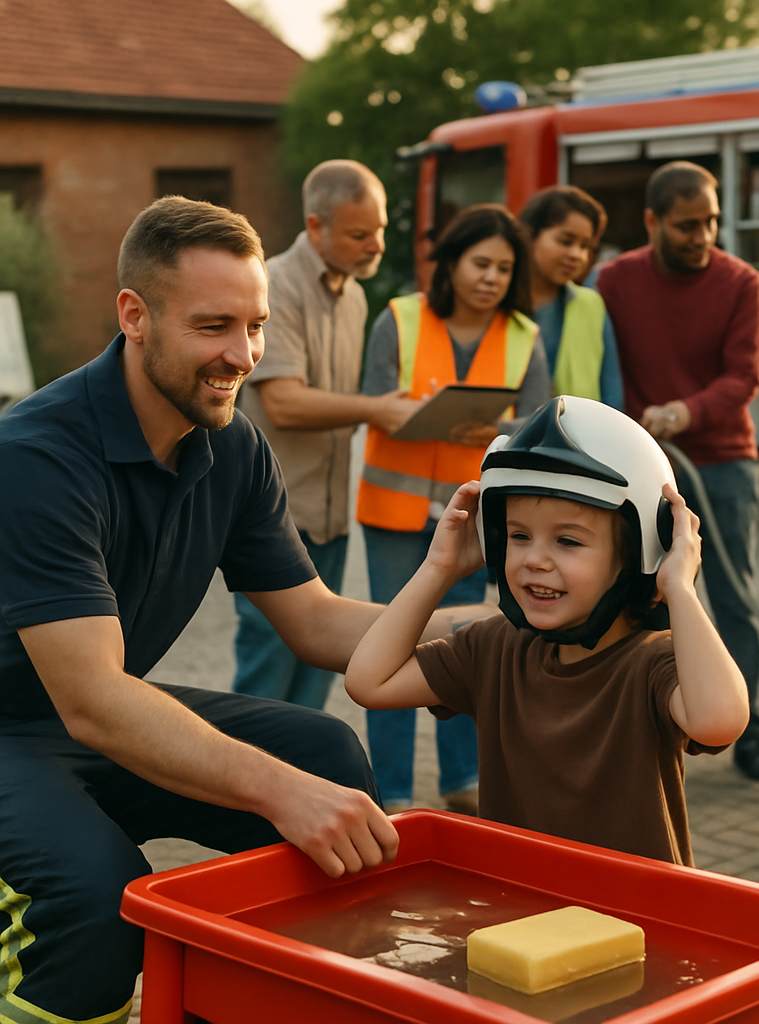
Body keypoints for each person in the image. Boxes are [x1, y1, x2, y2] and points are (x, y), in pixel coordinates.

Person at [0, 197, 486, 1023]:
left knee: (326, 753)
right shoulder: (37, 458)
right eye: (215, 326)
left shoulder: (228, 442)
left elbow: (317, 621)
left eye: (255, 326)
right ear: (135, 316)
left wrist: (504, 635)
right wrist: (277, 792)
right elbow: (93, 701)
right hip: (23, 724)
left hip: (78, 720)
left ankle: (267, 1004)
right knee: (92, 894)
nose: (244, 356)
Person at [345, 396, 749, 864]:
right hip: (516, 919)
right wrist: (439, 568)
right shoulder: (494, 647)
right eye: (518, 536)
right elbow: (367, 682)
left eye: (568, 540)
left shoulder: (654, 662)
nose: (534, 559)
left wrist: (678, 587)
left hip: (631, 924)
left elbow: (720, 721)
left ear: (644, 548)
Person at [356, 204, 550, 815]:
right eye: (480, 262)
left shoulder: (524, 334)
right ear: (452, 263)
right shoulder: (400, 318)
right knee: (391, 644)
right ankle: (388, 793)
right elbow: (373, 400)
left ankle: (464, 781)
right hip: (394, 513)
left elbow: (538, 421)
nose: (490, 277)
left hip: (474, 518)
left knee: (467, 647)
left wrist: (491, 426)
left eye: (503, 267)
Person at [596, 161, 759, 781]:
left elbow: (745, 377)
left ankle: (747, 733)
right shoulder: (616, 281)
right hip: (644, 469)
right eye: (686, 225)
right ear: (651, 222)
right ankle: (650, 728)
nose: (703, 235)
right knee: (641, 597)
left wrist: (686, 410)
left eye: (711, 221)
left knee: (733, 598)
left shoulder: (742, 283)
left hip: (723, 463)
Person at [232, 159, 421, 709]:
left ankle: (293, 789)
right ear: (315, 227)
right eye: (360, 234)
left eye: (381, 230)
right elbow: (284, 403)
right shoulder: (275, 286)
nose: (377, 246)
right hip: (275, 517)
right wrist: (379, 411)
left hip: (331, 515)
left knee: (316, 677)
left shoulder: (355, 294)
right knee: (267, 680)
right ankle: (234, 793)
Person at [518, 185, 624, 409]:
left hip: (576, 440)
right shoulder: (496, 301)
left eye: (585, 246)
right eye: (566, 241)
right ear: (529, 235)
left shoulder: (591, 306)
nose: (577, 255)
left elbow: (611, 393)